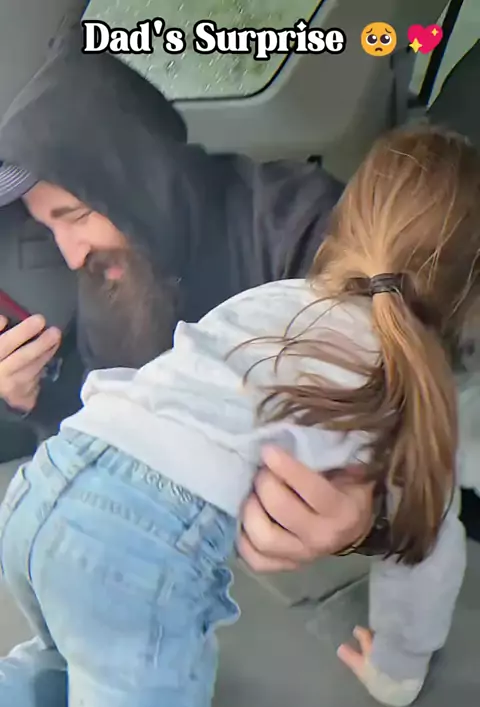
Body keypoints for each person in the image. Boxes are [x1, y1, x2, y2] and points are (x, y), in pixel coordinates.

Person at [0, 124, 477, 707]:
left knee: (63, 662)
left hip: (52, 481)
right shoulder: (419, 387)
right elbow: (427, 550)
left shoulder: (278, 298)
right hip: (135, 550)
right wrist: (396, 669)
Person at [0, 28, 376, 569]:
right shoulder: (110, 272)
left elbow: (410, 388)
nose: (71, 253)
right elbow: (105, 409)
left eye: (76, 217)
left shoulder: (299, 225)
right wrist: (33, 397)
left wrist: (367, 509)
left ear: (140, 179)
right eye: (49, 227)